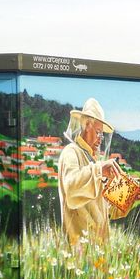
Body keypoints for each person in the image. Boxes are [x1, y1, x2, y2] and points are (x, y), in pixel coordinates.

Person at [58, 97, 127, 246]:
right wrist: (99, 170)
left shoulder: (93, 160)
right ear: (87, 125)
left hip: (98, 249)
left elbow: (104, 210)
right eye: (98, 133)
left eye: (102, 135)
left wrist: (127, 200)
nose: (101, 139)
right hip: (79, 249)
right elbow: (71, 188)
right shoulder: (71, 153)